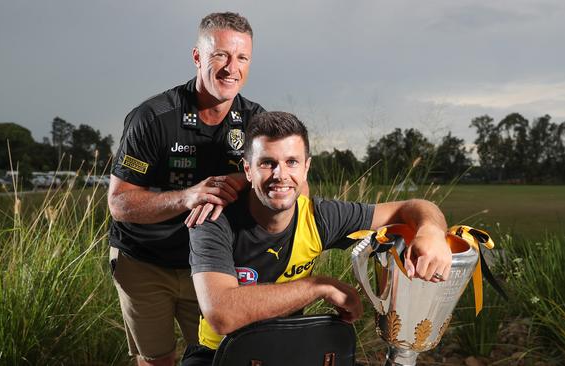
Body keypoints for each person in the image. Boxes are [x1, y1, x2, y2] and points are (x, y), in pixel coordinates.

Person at [183, 111, 453, 365]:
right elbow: (221, 315)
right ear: (248, 170)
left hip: (287, 349)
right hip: (220, 354)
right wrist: (317, 286)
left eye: (291, 162)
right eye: (267, 163)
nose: (280, 175)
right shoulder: (213, 217)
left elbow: (413, 208)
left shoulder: (319, 216)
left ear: (306, 168)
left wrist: (431, 230)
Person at [107, 12, 264, 366]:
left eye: (242, 58)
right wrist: (187, 196)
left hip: (213, 266)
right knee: (156, 360)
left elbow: (293, 183)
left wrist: (242, 179)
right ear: (197, 57)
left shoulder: (256, 122)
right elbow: (119, 202)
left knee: (219, 357)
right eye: (220, 55)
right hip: (145, 261)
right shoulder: (153, 118)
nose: (231, 68)